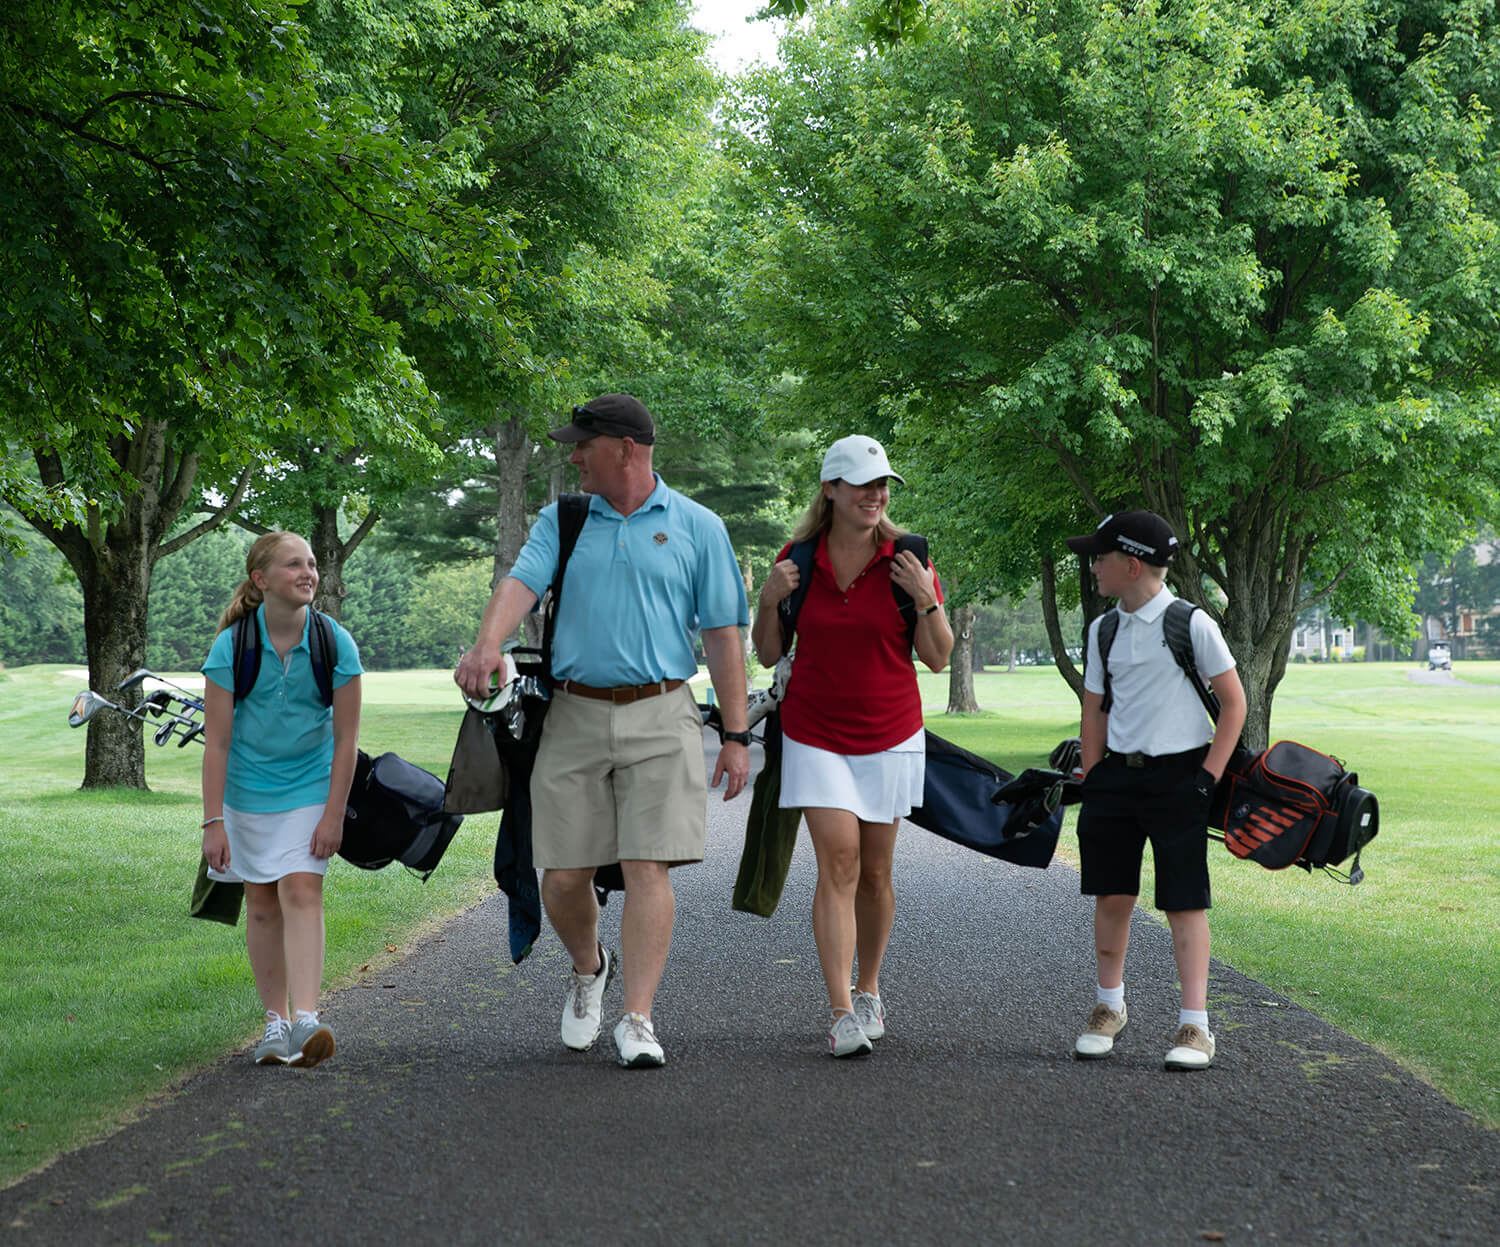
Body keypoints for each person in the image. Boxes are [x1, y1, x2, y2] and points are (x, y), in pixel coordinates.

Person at [454, 393, 750, 1069]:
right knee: (562, 877)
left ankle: (639, 1019)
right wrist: (485, 646)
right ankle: (590, 967)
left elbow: (724, 635)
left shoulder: (698, 525)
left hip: (664, 708)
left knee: (650, 863)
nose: (574, 454)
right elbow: (519, 584)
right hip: (576, 711)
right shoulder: (565, 518)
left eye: (583, 444)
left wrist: (736, 734)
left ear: (624, 447)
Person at [751, 435, 953, 1058]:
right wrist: (767, 600)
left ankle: (869, 987)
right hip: (814, 732)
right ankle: (840, 1009)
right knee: (837, 861)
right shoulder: (798, 561)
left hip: (890, 733)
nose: (876, 494)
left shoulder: (908, 559)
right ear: (831, 490)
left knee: (875, 871)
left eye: (882, 484)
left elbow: (938, 657)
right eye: (862, 484)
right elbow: (766, 653)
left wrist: (927, 601)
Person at [1064, 510, 1247, 1070]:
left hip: (1180, 779)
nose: (1093, 566)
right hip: (1116, 778)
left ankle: (1195, 1026)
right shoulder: (1103, 629)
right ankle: (1108, 1007)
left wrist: (1206, 780)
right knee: (1113, 896)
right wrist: (1093, 775)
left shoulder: (1192, 624)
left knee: (1184, 902)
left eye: (1100, 557)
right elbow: (1093, 708)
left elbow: (1235, 704)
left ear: (1132, 564)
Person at [200, 532, 363, 1068]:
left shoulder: (335, 643)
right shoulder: (232, 646)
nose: (308, 572)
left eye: (311, 564)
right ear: (260, 579)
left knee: (301, 891)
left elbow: (346, 741)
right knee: (262, 904)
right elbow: (217, 742)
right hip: (247, 794)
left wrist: (334, 813)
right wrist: (213, 822)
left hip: (311, 788)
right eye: (294, 564)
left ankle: (307, 1019)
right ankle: (273, 1024)